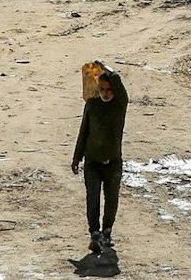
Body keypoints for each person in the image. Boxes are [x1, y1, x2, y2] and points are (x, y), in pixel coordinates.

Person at [71, 59, 128, 254]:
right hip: (92, 162)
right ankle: (94, 233)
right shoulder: (92, 105)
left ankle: (107, 231)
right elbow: (83, 132)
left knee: (111, 200)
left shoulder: (119, 105)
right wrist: (77, 157)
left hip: (113, 162)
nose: (105, 93)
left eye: (108, 90)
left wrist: (105, 68)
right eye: (102, 89)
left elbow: (118, 81)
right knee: (92, 198)